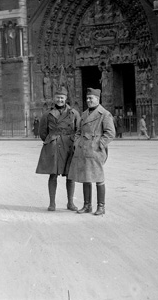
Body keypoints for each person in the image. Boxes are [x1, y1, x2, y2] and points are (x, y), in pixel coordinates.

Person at [68, 88, 115, 216]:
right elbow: (78, 131)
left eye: (91, 98)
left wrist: (100, 144)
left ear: (97, 99)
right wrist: (77, 143)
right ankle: (87, 205)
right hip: (83, 150)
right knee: (86, 178)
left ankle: (101, 206)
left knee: (99, 178)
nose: (88, 100)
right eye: (87, 98)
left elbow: (110, 133)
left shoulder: (104, 114)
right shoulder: (83, 114)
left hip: (95, 151)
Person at [35, 87, 80, 212]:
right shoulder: (47, 114)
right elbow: (43, 132)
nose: (60, 100)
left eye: (62, 98)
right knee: (53, 175)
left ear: (66, 99)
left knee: (70, 176)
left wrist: (72, 141)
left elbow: (79, 130)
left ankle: (70, 203)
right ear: (54, 98)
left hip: (69, 147)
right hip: (53, 147)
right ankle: (52, 203)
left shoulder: (74, 113)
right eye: (58, 97)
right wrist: (52, 141)